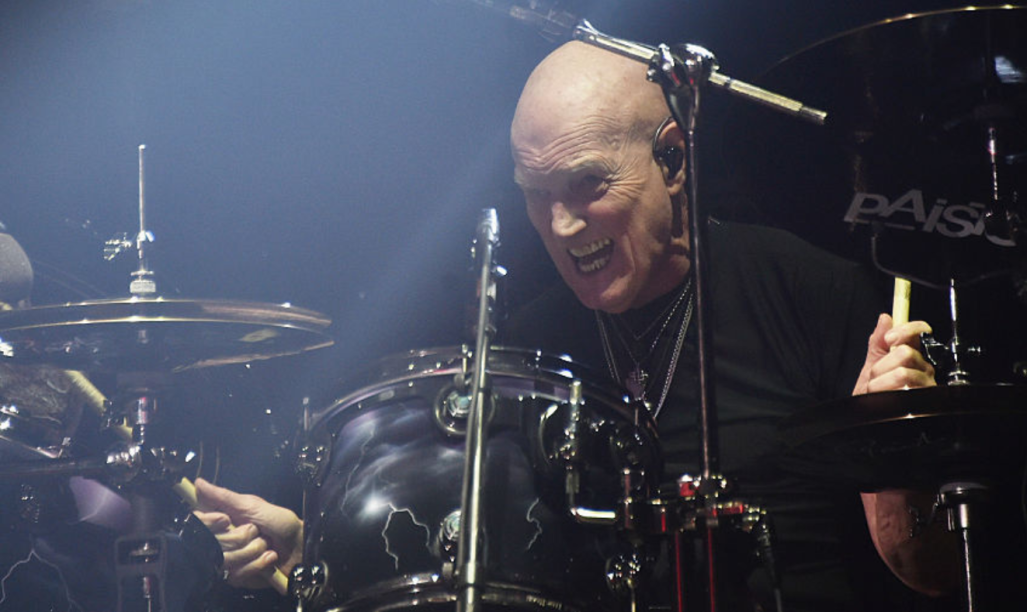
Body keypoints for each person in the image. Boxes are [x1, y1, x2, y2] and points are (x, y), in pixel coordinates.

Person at [194, 41, 958, 609]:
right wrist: (317, 554)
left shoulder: (812, 293)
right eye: (535, 193)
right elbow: (461, 563)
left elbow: (935, 573)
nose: (559, 225)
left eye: (588, 184)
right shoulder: (525, 350)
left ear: (673, 158)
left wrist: (887, 452)